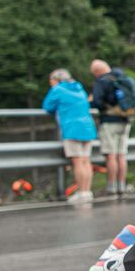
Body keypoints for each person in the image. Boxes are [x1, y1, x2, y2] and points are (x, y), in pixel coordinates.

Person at [42, 68, 98, 205]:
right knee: (86, 161)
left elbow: (47, 106)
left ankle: (81, 192)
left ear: (56, 80)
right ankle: (87, 191)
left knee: (77, 162)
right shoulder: (79, 88)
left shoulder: (58, 89)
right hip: (88, 128)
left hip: (72, 128)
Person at [87, 59, 135, 197]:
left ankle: (111, 187)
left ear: (97, 71)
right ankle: (122, 185)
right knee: (121, 155)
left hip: (110, 121)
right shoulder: (123, 78)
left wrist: (92, 102)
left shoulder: (102, 81)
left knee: (111, 155)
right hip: (125, 120)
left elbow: (97, 102)